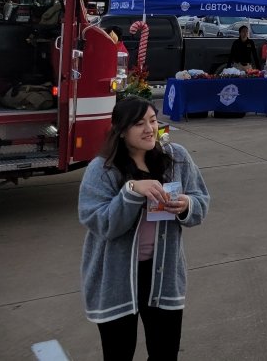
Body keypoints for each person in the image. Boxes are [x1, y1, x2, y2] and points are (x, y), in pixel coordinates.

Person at [78, 97, 210, 361]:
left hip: (163, 274)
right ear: (121, 130)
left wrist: (187, 204)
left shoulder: (177, 158)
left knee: (165, 352)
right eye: (139, 124)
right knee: (118, 353)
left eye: (152, 120)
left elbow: (201, 199)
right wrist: (131, 191)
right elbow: (100, 222)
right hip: (116, 277)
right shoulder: (103, 169)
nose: (149, 129)